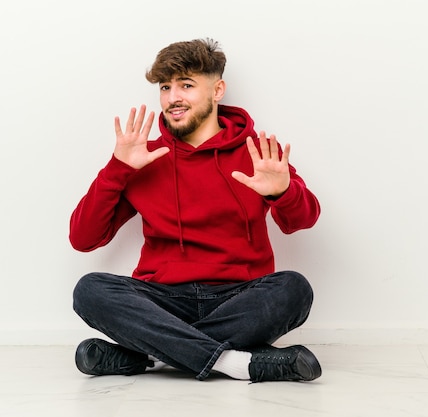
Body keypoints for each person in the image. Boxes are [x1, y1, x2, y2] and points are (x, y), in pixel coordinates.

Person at [69, 38, 322, 383]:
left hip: (237, 295)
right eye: (165, 87)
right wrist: (117, 168)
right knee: (90, 289)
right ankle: (238, 364)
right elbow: (83, 238)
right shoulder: (142, 157)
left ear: (217, 90)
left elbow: (302, 221)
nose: (173, 97)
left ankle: (149, 354)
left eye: (186, 85)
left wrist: (283, 191)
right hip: (162, 299)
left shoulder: (256, 152)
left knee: (294, 289)